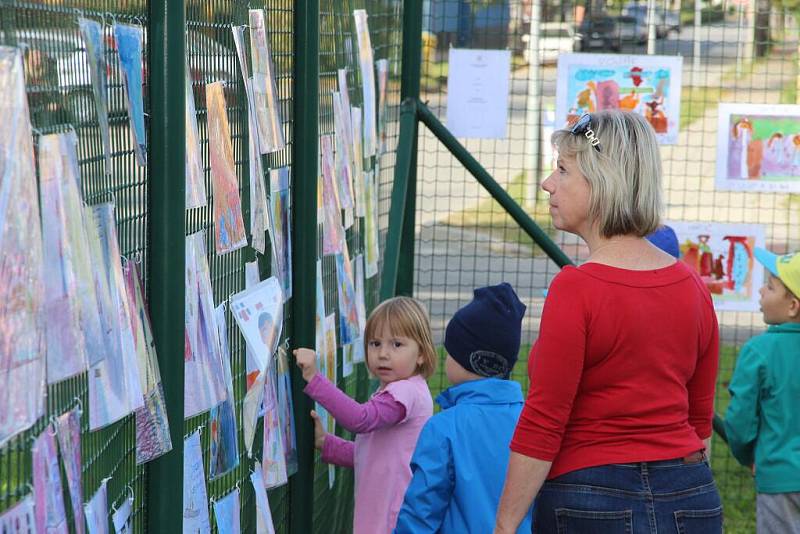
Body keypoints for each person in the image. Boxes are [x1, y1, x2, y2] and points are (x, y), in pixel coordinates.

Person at [495, 111, 722, 534]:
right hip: (690, 495)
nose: (548, 183)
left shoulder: (576, 288)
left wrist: (505, 524)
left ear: (602, 183)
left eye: (562, 170)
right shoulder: (692, 286)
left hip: (590, 497)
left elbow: (545, 419)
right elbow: (699, 421)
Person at [395, 283, 533, 534]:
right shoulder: (533, 422)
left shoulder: (443, 428)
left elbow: (421, 511)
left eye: (450, 351)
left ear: (469, 359)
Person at [293, 296, 436, 534]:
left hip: (394, 523)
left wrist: (314, 378)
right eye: (375, 343)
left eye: (396, 345)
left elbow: (360, 419)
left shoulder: (406, 392)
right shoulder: (397, 390)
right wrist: (326, 443)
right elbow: (374, 455)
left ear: (421, 353)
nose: (383, 354)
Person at [724, 248, 800, 534]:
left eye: (770, 286)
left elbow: (740, 421)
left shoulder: (759, 352)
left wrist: (747, 455)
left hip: (779, 477)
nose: (760, 290)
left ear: (792, 306)